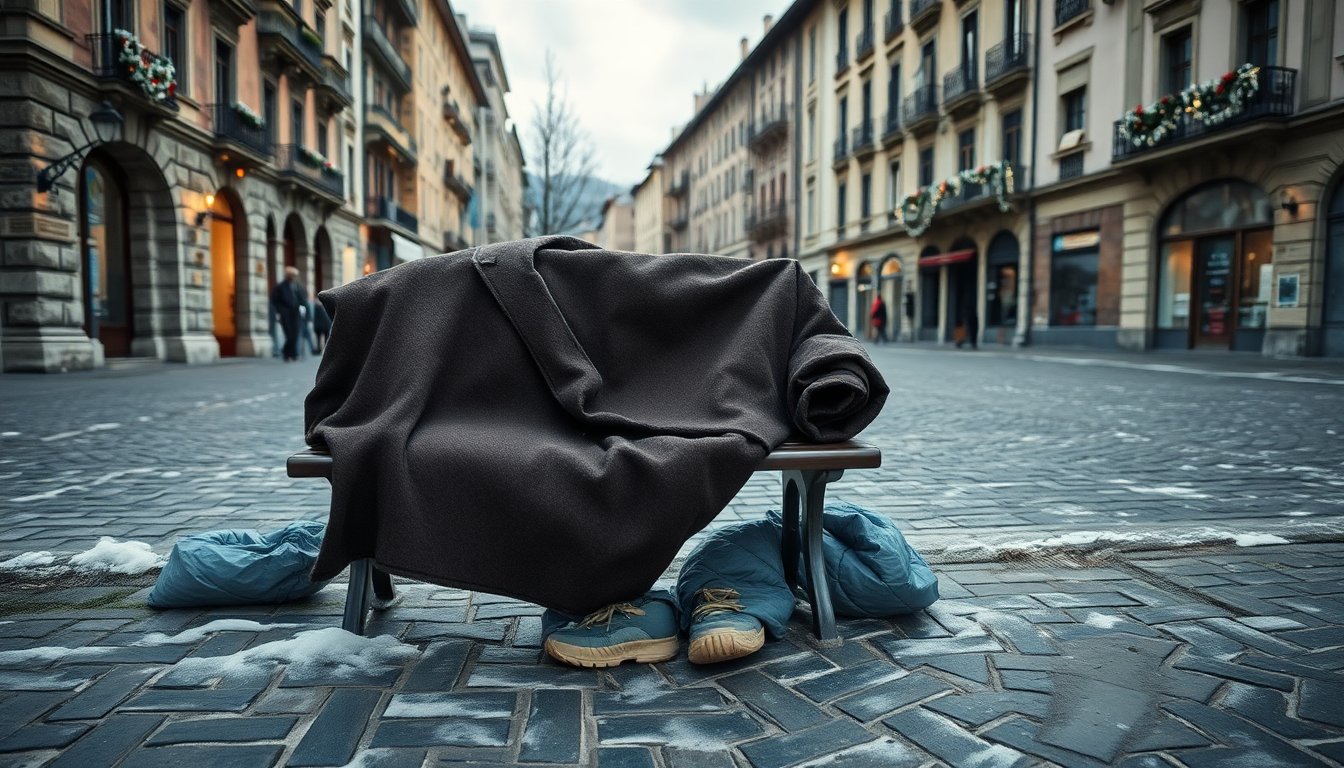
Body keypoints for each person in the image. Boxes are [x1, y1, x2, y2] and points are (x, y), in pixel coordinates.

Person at [270, 266, 307, 362]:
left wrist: (304, 308)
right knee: (289, 334)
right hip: (285, 313)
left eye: (295, 275)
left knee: (295, 334)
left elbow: (303, 298)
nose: (294, 277)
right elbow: (274, 300)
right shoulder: (280, 286)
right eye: (292, 275)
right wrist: (279, 311)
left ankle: (292, 354)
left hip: (296, 312)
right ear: (288, 275)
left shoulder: (297, 286)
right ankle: (287, 353)